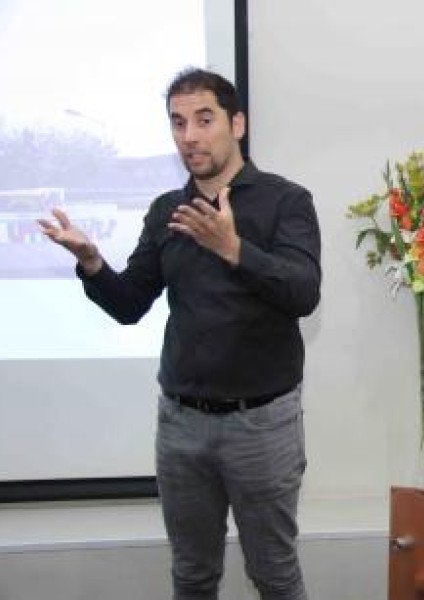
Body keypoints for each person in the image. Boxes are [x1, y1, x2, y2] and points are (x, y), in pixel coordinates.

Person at [39, 68, 320, 600]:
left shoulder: (286, 201)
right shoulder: (167, 211)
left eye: (204, 119)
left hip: (262, 425)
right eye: (178, 122)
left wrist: (233, 248)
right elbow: (129, 304)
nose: (189, 135)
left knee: (275, 576)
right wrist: (93, 262)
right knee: (192, 576)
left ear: (237, 124)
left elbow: (304, 292)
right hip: (182, 427)